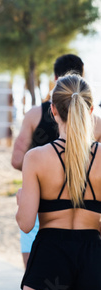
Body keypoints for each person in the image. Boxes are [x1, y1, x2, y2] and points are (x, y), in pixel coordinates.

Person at [16, 74, 101, 290]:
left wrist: (21, 201)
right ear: (90, 109)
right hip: (92, 257)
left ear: (53, 110)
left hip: (50, 256)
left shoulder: (37, 158)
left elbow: (26, 223)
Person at [11, 54, 101, 267]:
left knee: (35, 274)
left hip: (43, 217)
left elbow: (17, 160)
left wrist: (33, 184)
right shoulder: (98, 124)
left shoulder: (34, 115)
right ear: (90, 108)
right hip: (90, 246)